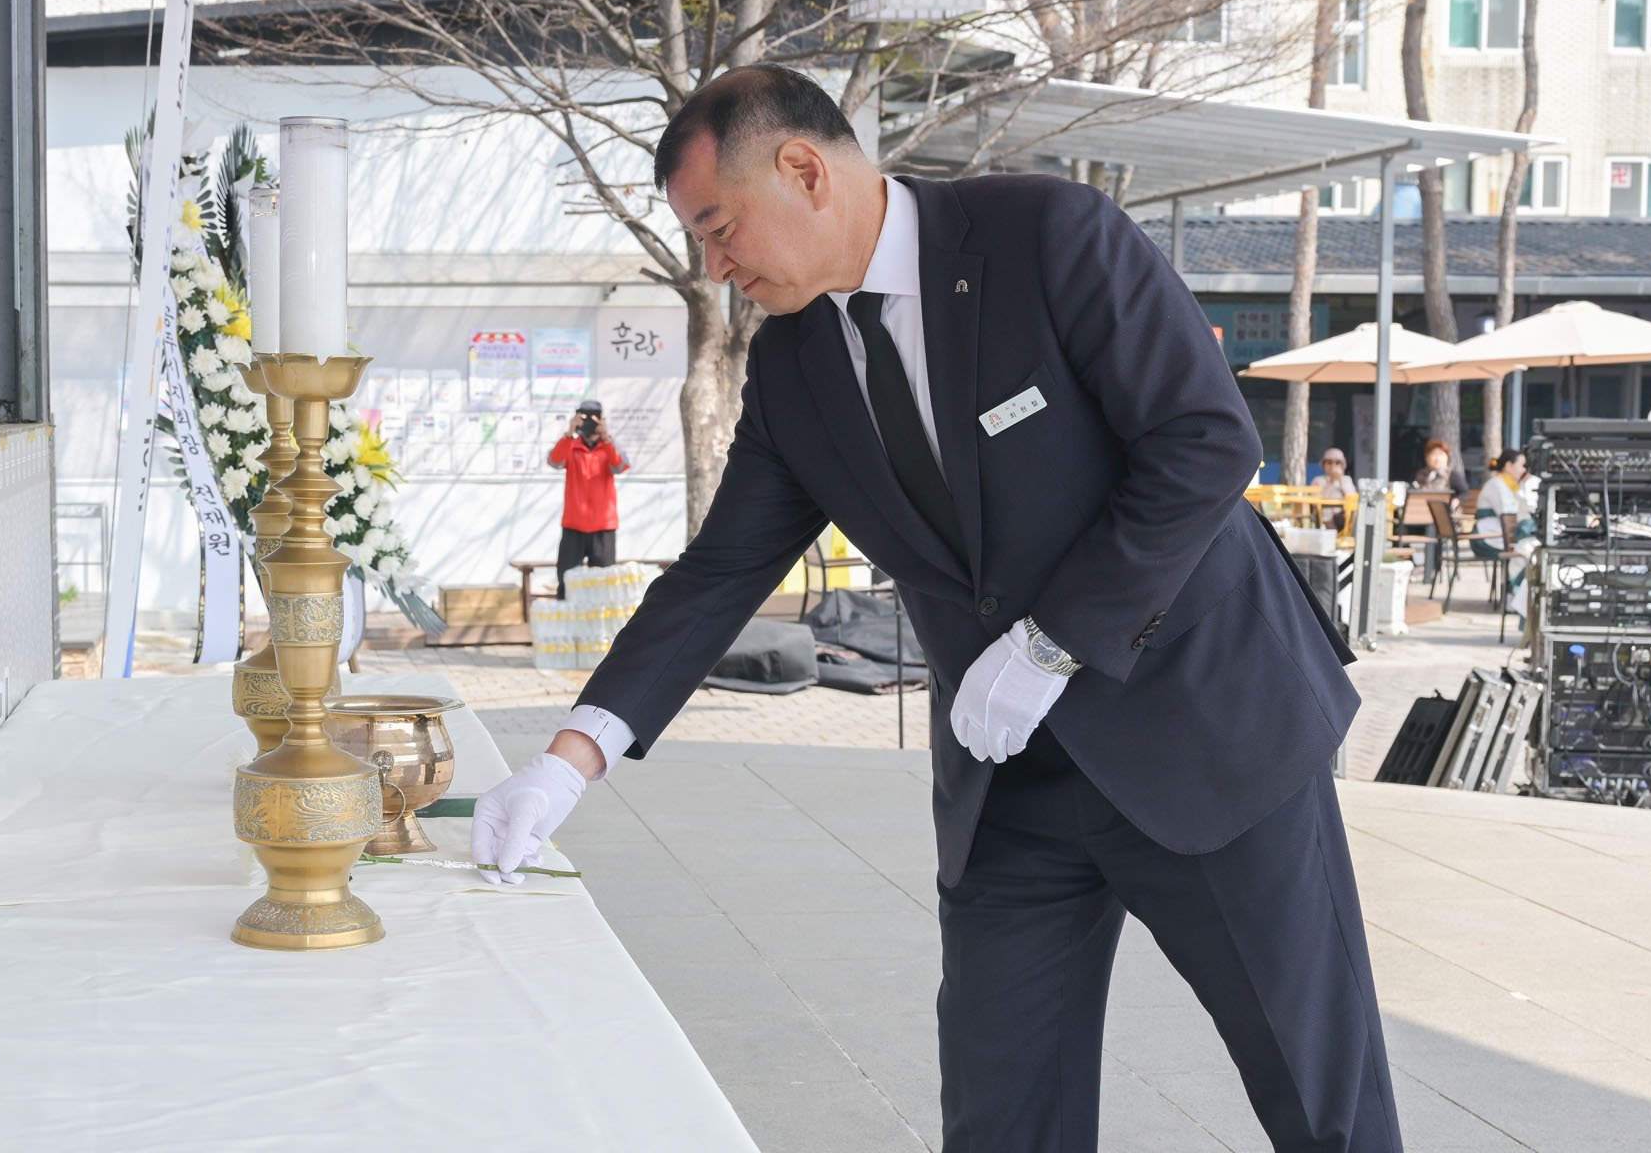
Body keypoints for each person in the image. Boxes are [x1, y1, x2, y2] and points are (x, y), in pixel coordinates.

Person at [474, 65, 1399, 1151]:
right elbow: (720, 570)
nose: (715, 266)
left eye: (718, 228)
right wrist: (573, 755)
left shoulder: (1048, 236)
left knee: (1321, 1101)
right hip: (1010, 786)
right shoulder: (794, 365)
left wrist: (1052, 644)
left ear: (804, 169)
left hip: (1202, 731)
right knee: (1000, 1118)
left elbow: (1203, 442)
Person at [547, 399, 628, 598]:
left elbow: (620, 466)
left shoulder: (609, 445)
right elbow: (554, 461)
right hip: (574, 524)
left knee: (603, 584)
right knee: (566, 581)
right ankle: (566, 616)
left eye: (594, 418)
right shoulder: (570, 444)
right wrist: (569, 432)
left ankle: (601, 619)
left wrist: (606, 438)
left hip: (603, 525)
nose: (590, 423)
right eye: (585, 418)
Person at [1472, 450, 1538, 609]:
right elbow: (1509, 512)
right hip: (1487, 537)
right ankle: (1513, 596)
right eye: (1522, 465)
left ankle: (1517, 596)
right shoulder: (1497, 484)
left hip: (1501, 534)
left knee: (1527, 548)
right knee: (1524, 551)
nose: (1524, 470)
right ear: (1508, 465)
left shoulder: (1512, 484)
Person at [1311, 447, 1357, 528]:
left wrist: (1340, 481)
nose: (1333, 466)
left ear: (1343, 465)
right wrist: (1331, 482)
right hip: (1324, 520)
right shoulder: (1318, 480)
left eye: (1337, 463)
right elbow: (1315, 502)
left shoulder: (1346, 480)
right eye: (1329, 462)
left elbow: (1352, 498)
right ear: (1324, 464)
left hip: (1344, 520)